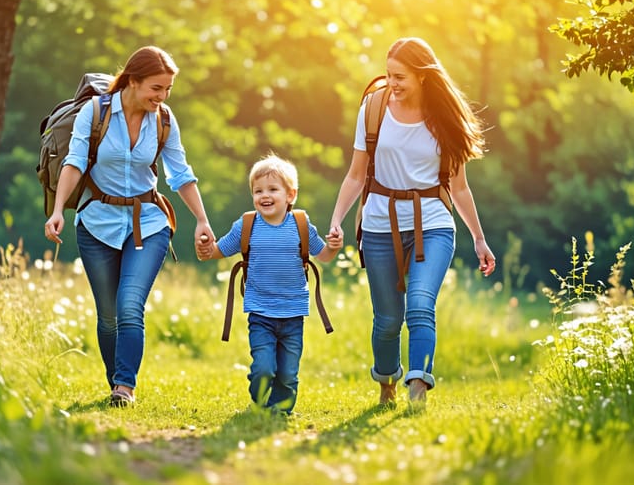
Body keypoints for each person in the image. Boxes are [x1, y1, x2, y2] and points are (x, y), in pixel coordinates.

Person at [328, 37, 496, 409]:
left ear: (422, 76)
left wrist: (479, 240)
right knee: (388, 320)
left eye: (400, 76)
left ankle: (418, 387)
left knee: (421, 305)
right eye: (389, 75)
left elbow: (459, 186)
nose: (393, 84)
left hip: (433, 221)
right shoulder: (373, 108)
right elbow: (356, 175)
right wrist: (337, 219)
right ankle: (387, 379)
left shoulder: (445, 117)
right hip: (377, 223)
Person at [44, 46, 214, 407]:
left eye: (168, 89)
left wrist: (201, 219)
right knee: (108, 316)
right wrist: (58, 209)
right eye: (156, 88)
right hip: (96, 222)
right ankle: (115, 382)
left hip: (148, 223)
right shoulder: (95, 112)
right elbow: (74, 163)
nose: (162, 97)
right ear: (133, 82)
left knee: (130, 304)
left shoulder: (164, 120)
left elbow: (181, 174)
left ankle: (125, 387)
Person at [196, 153, 342, 415]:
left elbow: (323, 256)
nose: (264, 195)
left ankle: (282, 410)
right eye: (258, 190)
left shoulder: (300, 224)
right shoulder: (247, 224)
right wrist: (207, 248)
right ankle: (261, 403)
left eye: (273, 189)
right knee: (263, 368)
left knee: (287, 373)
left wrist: (333, 247)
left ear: (290, 195)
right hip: (260, 312)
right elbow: (221, 250)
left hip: (294, 313)